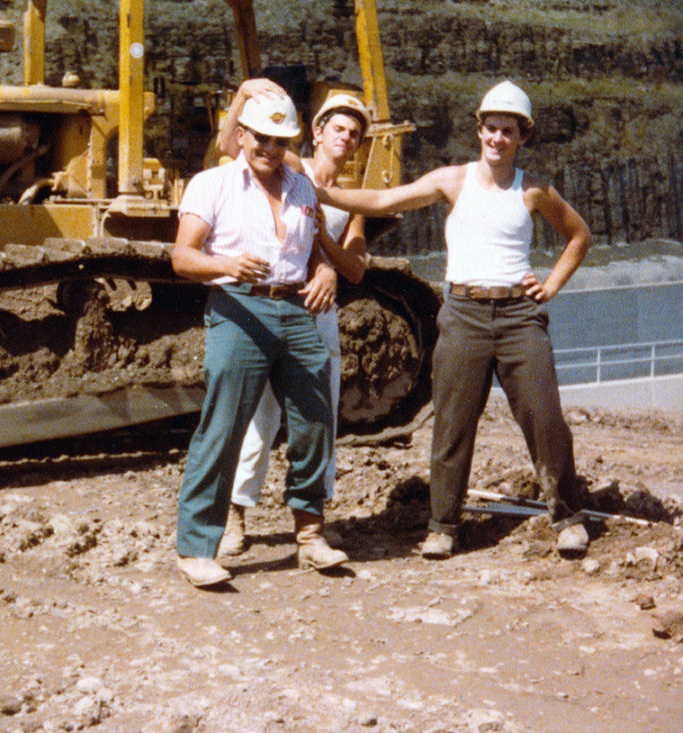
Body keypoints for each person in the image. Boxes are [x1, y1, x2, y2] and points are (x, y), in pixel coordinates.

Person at [319, 80, 593, 558]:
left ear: (522, 135)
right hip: (463, 314)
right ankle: (443, 526)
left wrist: (549, 286)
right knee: (452, 424)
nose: (497, 139)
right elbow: (387, 201)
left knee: (545, 418)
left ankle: (568, 518)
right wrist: (328, 196)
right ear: (479, 130)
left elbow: (579, 236)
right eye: (491, 128)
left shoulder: (533, 190)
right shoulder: (452, 180)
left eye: (508, 131)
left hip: (519, 317)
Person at [172, 90, 348, 588]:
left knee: (316, 416)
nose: (270, 148)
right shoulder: (212, 184)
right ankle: (196, 547)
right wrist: (226, 264)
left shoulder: (303, 188)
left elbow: (312, 250)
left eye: (280, 140)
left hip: (295, 308)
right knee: (225, 422)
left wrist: (326, 271)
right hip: (238, 306)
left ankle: (310, 535)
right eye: (261, 138)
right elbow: (182, 257)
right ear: (242, 135)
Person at [212, 79, 370, 556]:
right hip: (275, 302)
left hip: (319, 315)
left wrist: (327, 259)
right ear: (316, 132)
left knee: (320, 416)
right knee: (260, 413)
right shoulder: (290, 167)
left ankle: (313, 520)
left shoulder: (353, 201)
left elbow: (356, 268)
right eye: (337, 127)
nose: (345, 138)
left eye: (354, 133)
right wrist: (242, 97)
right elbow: (226, 148)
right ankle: (235, 514)